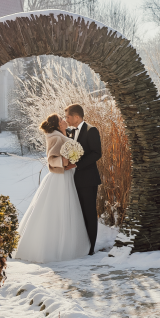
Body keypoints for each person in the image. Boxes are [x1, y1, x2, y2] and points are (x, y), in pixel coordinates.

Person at [13, 113, 90, 263]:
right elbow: (51, 159)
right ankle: (50, 249)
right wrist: (66, 161)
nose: (64, 120)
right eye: (62, 120)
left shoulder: (63, 134)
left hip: (66, 176)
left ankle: (70, 246)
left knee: (67, 209)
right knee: (57, 209)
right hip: (59, 178)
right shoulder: (54, 136)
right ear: (57, 124)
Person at [63, 103, 103, 255]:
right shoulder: (70, 132)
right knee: (79, 213)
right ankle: (82, 245)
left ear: (76, 117)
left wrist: (76, 164)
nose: (66, 119)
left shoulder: (91, 130)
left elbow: (96, 153)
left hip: (88, 180)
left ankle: (91, 247)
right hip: (75, 180)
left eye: (68, 116)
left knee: (89, 213)